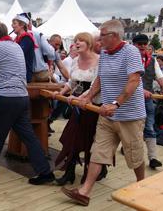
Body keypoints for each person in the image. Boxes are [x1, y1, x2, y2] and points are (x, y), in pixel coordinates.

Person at [61, 19, 146, 206]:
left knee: (134, 155)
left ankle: (143, 187)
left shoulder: (131, 52)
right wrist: (88, 96)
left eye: (101, 36)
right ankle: (84, 192)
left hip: (129, 116)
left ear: (114, 36)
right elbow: (100, 78)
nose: (98, 40)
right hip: (106, 114)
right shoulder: (106, 54)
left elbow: (133, 81)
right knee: (98, 151)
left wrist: (116, 104)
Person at [0, 22, 55, 185]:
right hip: (21, 97)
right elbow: (11, 72)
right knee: (29, 137)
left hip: (6, 99)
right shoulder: (15, 46)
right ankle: (45, 172)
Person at [52, 32, 107, 186]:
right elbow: (72, 83)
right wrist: (61, 93)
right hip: (78, 107)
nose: (76, 43)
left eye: (80, 40)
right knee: (72, 138)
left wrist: (80, 97)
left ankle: (93, 171)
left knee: (90, 141)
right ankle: (69, 173)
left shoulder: (100, 61)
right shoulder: (75, 61)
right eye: (75, 40)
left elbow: (97, 86)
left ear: (89, 43)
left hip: (94, 106)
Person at [132, 34, 163, 169]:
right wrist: (140, 90)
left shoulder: (152, 60)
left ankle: (153, 158)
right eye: (139, 44)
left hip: (147, 100)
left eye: (144, 44)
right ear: (133, 45)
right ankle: (127, 148)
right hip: (129, 99)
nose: (142, 46)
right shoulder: (127, 58)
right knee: (131, 129)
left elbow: (160, 77)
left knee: (149, 127)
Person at [12, 13, 36, 83]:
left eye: (14, 23)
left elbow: (17, 55)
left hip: (24, 75)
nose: (12, 26)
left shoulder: (26, 39)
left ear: (22, 25)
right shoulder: (17, 39)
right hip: (17, 74)